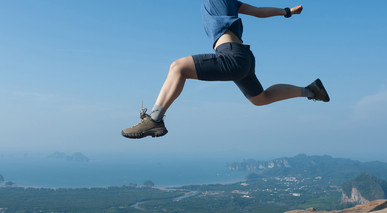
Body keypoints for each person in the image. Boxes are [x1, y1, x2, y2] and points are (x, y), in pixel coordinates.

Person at [122, 0, 329, 139]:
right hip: (243, 57)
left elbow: (258, 12)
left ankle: (155, 120)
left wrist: (287, 12)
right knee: (261, 98)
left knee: (178, 67)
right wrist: (287, 12)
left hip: (231, 55)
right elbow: (258, 12)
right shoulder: (230, 2)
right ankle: (310, 90)